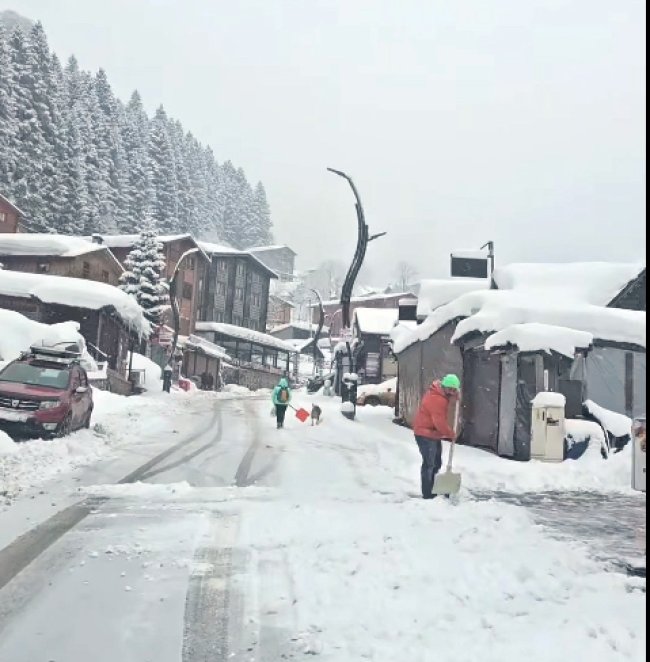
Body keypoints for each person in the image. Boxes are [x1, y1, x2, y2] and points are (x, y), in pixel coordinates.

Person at [412, 374, 461, 499]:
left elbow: (451, 393)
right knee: (429, 464)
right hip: (425, 434)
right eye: (450, 389)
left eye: (454, 390)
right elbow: (439, 422)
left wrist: (456, 395)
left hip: (433, 434)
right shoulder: (437, 399)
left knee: (436, 463)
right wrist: (450, 434)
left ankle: (434, 487)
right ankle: (428, 494)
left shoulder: (440, 392)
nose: (452, 392)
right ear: (444, 386)